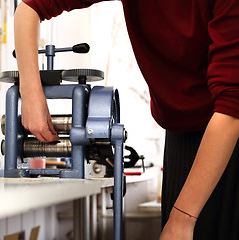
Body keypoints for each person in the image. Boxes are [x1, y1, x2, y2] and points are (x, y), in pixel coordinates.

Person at [13, 0, 239, 239]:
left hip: (228, 129)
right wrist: (30, 93)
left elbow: (232, 105)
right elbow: (29, 8)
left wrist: (182, 219)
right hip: (182, 136)